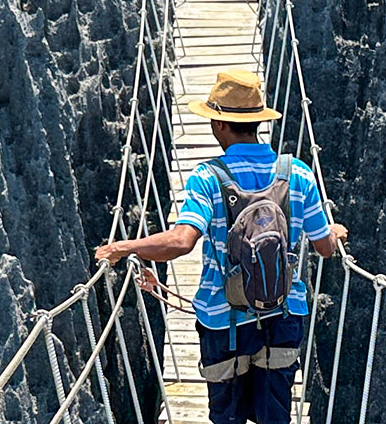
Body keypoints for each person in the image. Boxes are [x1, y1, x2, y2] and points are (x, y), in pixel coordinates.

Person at [94, 68, 348, 424]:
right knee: (274, 417)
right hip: (284, 315)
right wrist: (334, 231)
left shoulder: (207, 177)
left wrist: (125, 247)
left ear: (220, 125)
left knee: (227, 418)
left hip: (223, 320)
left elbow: (182, 242)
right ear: (257, 122)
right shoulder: (298, 173)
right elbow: (324, 248)